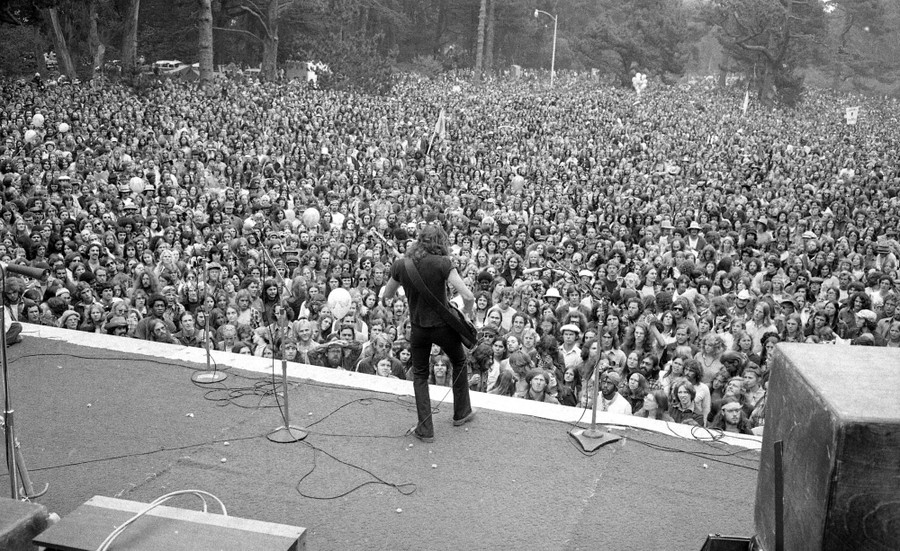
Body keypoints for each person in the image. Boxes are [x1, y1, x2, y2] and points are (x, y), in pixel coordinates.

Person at [382, 224, 476, 443]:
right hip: (443, 326)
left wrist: (404, 280)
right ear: (441, 242)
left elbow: (387, 295)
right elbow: (469, 296)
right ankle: (461, 413)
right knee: (460, 361)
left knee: (421, 375)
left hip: (417, 328)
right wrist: (467, 314)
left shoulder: (401, 264)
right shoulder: (444, 263)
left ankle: (425, 430)